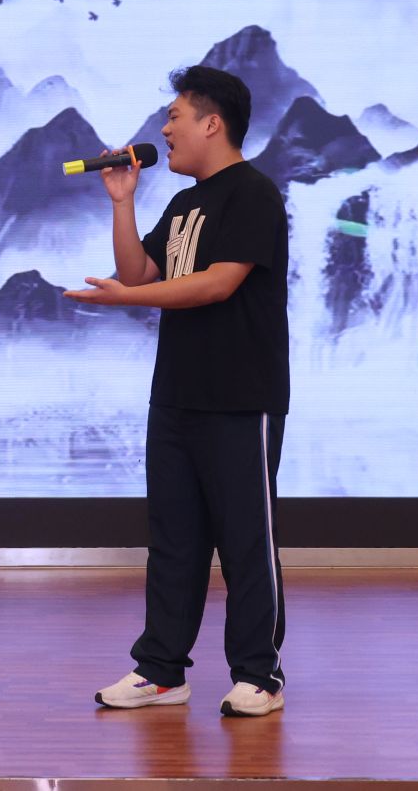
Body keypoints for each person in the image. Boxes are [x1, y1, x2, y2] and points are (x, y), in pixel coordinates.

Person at [66, 64, 291, 718]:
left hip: (240, 396)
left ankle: (259, 674)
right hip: (176, 395)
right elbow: (138, 271)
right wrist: (122, 201)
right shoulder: (184, 203)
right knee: (173, 539)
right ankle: (162, 670)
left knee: (246, 540)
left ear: (212, 123)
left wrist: (128, 297)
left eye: (175, 117)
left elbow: (218, 283)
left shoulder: (252, 193)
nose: (164, 129)